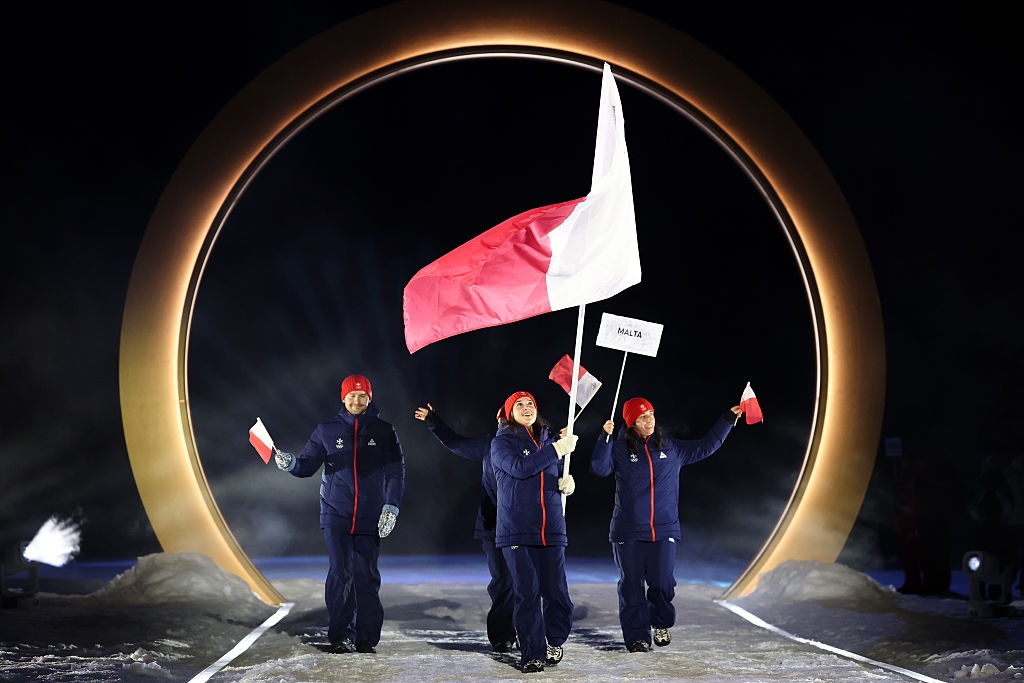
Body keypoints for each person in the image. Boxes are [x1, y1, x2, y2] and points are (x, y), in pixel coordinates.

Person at [590, 396, 741, 653]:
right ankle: (637, 637)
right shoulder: (619, 449)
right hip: (628, 531)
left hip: (664, 529)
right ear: (631, 423)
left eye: (650, 414)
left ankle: (660, 622)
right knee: (631, 586)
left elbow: (706, 446)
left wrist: (727, 419)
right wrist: (603, 439)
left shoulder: (671, 447)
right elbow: (599, 468)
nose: (649, 420)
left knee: (662, 583)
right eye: (642, 417)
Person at [275, 374, 405, 654]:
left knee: (366, 575)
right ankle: (340, 635)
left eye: (362, 396)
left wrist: (391, 507)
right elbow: (307, 466)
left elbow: (396, 472)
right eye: (351, 396)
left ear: (369, 398)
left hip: (370, 515)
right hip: (336, 513)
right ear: (342, 398)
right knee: (340, 572)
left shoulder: (383, 430)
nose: (357, 400)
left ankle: (366, 636)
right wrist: (291, 464)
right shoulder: (326, 429)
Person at [413, 403, 517, 653]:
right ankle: (503, 635)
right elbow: (456, 443)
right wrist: (434, 421)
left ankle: (528, 631)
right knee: (504, 581)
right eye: (504, 419)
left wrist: (557, 444)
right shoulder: (491, 446)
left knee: (526, 583)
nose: (506, 423)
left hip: (527, 527)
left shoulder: (534, 448)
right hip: (494, 526)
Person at [491, 390, 578, 674]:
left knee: (557, 593)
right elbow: (520, 468)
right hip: (517, 531)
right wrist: (555, 451)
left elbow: (548, 472)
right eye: (519, 405)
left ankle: (554, 639)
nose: (526, 408)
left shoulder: (547, 441)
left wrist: (566, 481)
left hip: (551, 529)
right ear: (509, 413)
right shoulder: (501, 443)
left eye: (531, 403)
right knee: (527, 594)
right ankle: (532, 653)